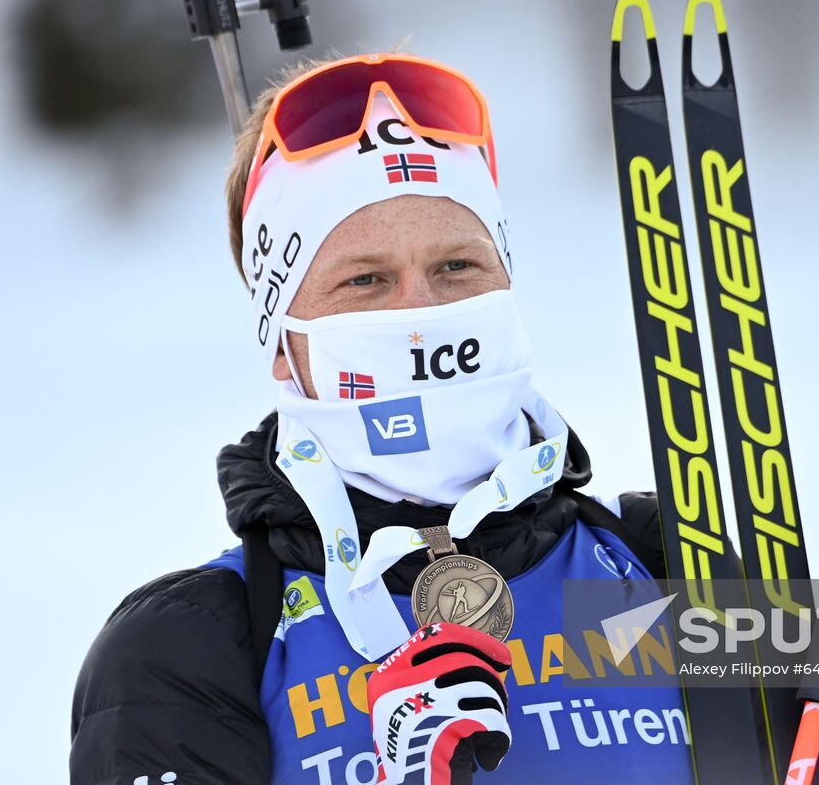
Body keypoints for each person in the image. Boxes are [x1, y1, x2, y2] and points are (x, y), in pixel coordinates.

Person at [69, 53, 691, 785]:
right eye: (365, 280)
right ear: (282, 342)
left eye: (459, 266)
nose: (422, 315)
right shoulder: (190, 648)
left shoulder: (665, 555)